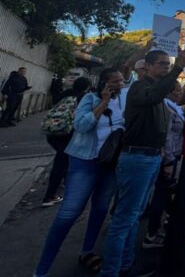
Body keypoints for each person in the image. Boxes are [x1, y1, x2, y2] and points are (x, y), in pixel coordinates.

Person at [101, 49, 185, 277]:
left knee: (134, 215)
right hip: (137, 158)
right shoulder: (141, 88)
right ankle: (110, 271)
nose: (166, 67)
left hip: (151, 158)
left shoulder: (157, 92)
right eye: (162, 64)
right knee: (124, 218)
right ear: (147, 66)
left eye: (168, 64)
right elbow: (154, 96)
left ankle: (126, 264)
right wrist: (179, 68)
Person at [33, 69, 126, 277]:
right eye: (115, 81)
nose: (120, 84)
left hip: (110, 163)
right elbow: (81, 126)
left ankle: (87, 251)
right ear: (104, 83)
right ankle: (41, 270)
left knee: (100, 209)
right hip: (85, 161)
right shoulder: (90, 98)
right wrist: (103, 103)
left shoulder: (123, 100)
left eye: (122, 80)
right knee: (69, 213)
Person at [142, 81, 185, 249]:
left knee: (166, 196)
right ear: (168, 92)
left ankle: (162, 228)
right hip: (169, 158)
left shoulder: (173, 106)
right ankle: (152, 234)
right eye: (177, 90)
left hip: (172, 156)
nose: (180, 93)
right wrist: (169, 160)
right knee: (161, 195)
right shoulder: (166, 107)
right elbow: (166, 135)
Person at [42, 77, 92, 208]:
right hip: (67, 134)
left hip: (53, 132)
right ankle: (49, 196)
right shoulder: (84, 98)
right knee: (61, 163)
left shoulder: (66, 94)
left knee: (63, 160)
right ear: (87, 87)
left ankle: (62, 182)